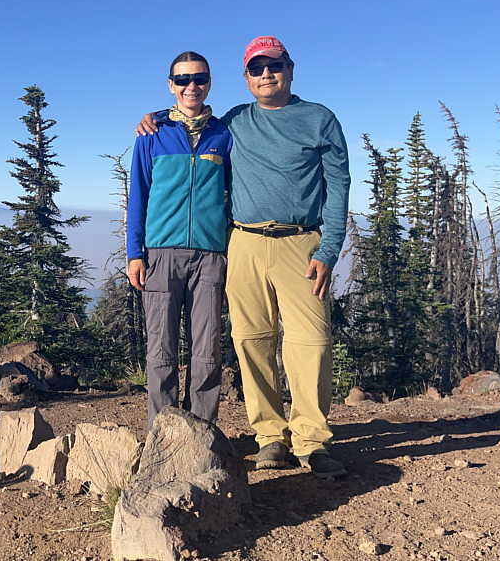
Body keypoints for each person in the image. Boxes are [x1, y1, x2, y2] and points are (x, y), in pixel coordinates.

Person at [137, 36, 350, 478]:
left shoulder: (317, 120)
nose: (266, 74)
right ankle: (270, 436)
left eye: (274, 66)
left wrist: (329, 250)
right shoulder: (233, 121)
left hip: (301, 243)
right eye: (256, 68)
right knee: (252, 340)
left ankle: (312, 441)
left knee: (311, 342)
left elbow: (339, 187)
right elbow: (185, 120)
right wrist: (154, 117)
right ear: (246, 77)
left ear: (290, 69)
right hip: (243, 242)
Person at [127, 51, 232, 430]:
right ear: (171, 85)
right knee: (161, 351)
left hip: (210, 255)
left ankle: (203, 434)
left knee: (207, 351)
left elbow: (233, 194)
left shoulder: (224, 134)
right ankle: (163, 434)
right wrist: (135, 252)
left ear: (209, 83)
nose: (192, 86)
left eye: (199, 78)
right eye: (183, 79)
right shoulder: (152, 134)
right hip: (160, 254)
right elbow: (138, 194)